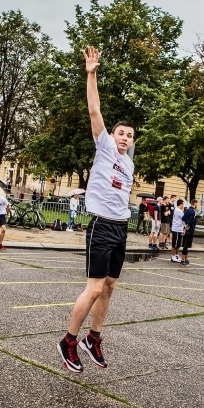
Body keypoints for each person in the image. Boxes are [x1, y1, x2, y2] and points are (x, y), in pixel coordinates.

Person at [57, 46, 135, 373]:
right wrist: (92, 73)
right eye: (121, 133)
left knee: (110, 286)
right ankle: (69, 340)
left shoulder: (128, 165)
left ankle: (94, 337)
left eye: (130, 136)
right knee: (93, 288)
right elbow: (94, 110)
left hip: (120, 228)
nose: (125, 138)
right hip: (101, 226)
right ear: (112, 135)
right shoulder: (104, 147)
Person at [170, 199, 185, 263]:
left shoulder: (177, 210)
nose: (183, 205)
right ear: (180, 204)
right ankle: (173, 256)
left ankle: (176, 255)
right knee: (175, 243)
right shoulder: (178, 211)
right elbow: (184, 218)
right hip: (176, 229)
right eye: (183, 204)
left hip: (179, 229)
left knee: (178, 244)